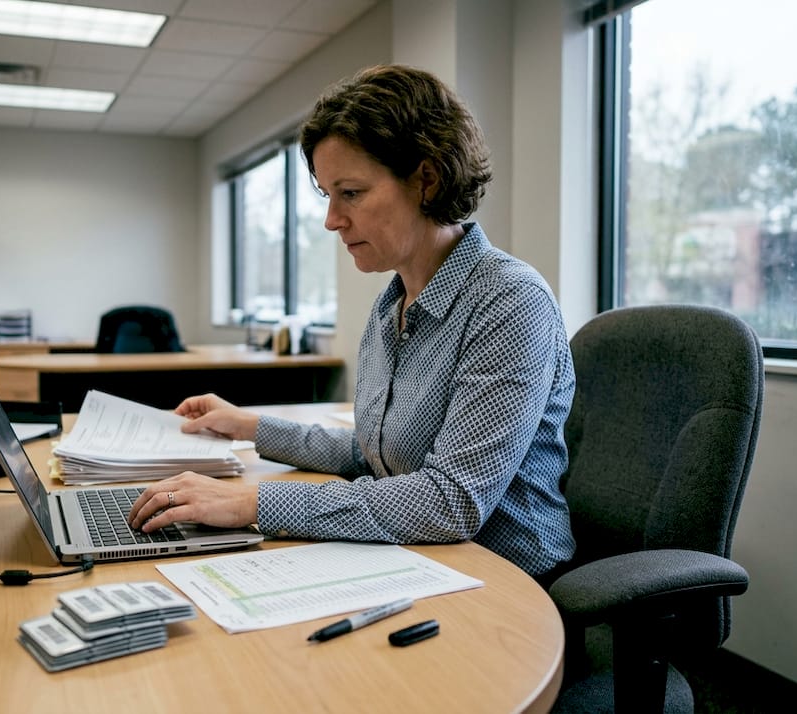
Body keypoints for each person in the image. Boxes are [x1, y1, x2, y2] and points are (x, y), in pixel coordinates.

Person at [128, 64, 576, 580]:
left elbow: (451, 500)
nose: (332, 219)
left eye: (352, 193)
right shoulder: (394, 302)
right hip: (416, 556)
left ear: (426, 179)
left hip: (506, 581)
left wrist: (250, 503)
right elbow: (377, 456)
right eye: (327, 195)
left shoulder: (510, 301)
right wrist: (247, 425)